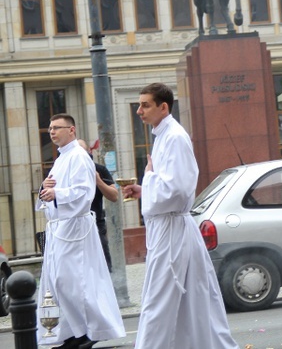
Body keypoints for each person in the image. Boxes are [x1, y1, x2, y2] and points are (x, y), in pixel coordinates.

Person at [122, 83, 238, 349]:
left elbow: (178, 190)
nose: (139, 111)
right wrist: (144, 189)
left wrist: (148, 178)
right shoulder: (163, 135)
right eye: (139, 105)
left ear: (164, 107)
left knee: (158, 299)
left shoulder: (174, 137)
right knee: (194, 298)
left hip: (172, 229)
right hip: (170, 226)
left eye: (145, 105)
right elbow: (168, 186)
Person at [36, 114, 125, 349]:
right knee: (58, 283)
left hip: (75, 227)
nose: (52, 132)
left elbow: (84, 192)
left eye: (57, 128)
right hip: (60, 228)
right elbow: (51, 190)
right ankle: (73, 331)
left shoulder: (79, 157)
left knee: (75, 282)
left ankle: (88, 331)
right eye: (50, 128)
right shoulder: (61, 159)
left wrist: (57, 195)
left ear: (71, 130)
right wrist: (44, 191)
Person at [78, 139, 118, 272]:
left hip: (95, 226)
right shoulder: (63, 170)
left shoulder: (99, 169)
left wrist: (98, 181)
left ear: (89, 152)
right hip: (74, 229)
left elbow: (114, 196)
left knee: (103, 269)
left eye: (82, 152)